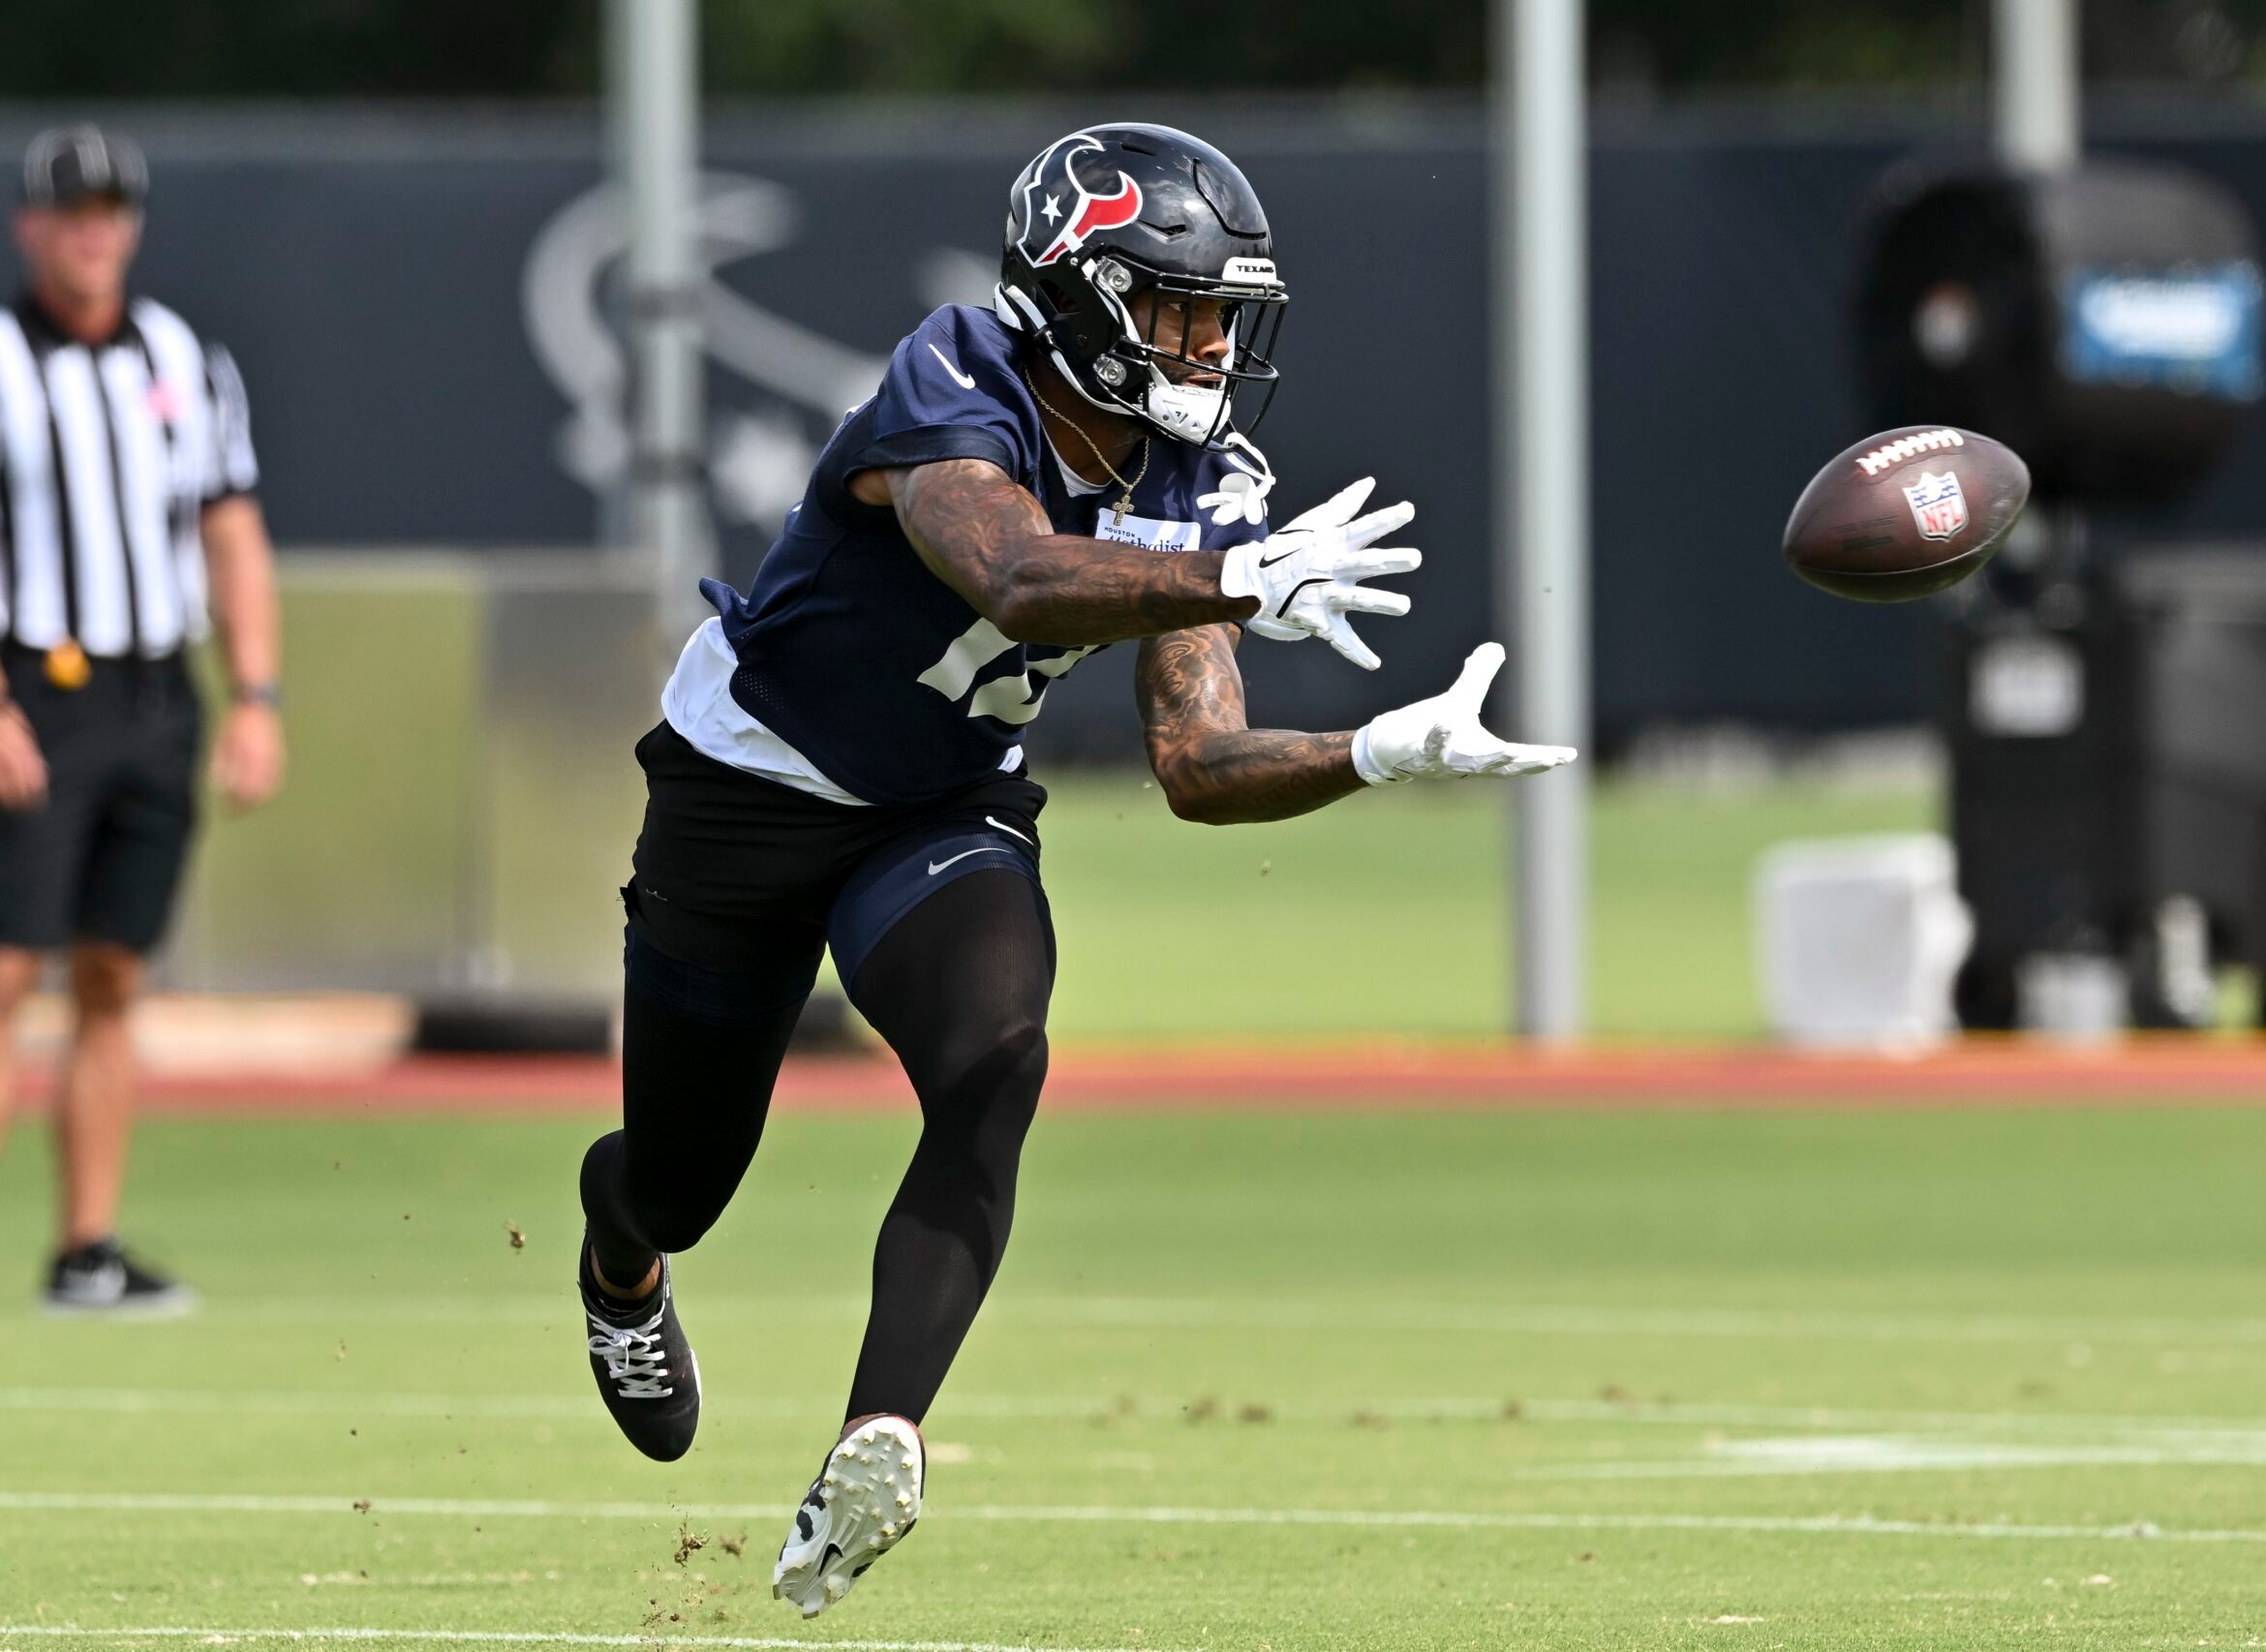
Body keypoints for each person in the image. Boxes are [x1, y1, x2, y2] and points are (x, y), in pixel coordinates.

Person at [570, 123, 1572, 1616]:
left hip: (938, 811)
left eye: (1223, 315)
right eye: (1179, 308)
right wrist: (1242, 574)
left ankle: (878, 1437)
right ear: (1080, 292)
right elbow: (1016, 576)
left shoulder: (1200, 471)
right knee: (680, 1179)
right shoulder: (959, 371)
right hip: (748, 792)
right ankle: (620, 1261)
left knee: (999, 1053)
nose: (1209, 344)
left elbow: (1196, 764)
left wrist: (1374, 751)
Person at [0, 124, 285, 1315]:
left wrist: (255, 695)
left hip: (154, 689)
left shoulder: (180, 356)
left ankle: (87, 1246)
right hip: (32, 684)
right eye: (71, 211)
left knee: (114, 969)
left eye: (111, 209)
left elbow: (228, 527)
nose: (92, 230)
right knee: (9, 965)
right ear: (30, 226)